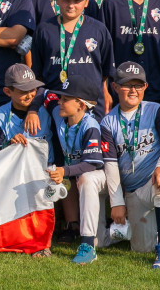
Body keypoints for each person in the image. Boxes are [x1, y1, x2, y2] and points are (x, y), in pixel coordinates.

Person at [99, 62, 160, 268]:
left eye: (138, 85)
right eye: (127, 85)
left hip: (156, 176)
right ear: (115, 87)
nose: (133, 90)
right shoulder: (107, 122)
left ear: (145, 87)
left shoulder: (156, 109)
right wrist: (117, 202)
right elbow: (110, 165)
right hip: (134, 191)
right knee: (141, 247)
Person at [43, 75, 111, 265]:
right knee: (106, 242)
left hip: (102, 178)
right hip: (78, 176)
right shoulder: (59, 112)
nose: (60, 102)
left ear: (81, 105)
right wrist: (32, 111)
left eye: (66, 99)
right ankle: (104, 232)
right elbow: (43, 92)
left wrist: (64, 170)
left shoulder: (91, 126)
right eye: (61, 98)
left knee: (86, 177)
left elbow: (93, 163)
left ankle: (88, 245)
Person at [31, 0, 114, 117]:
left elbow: (106, 70)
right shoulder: (44, 29)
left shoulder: (98, 29)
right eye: (66, 0)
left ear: (86, 2)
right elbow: (38, 73)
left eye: (77, 1)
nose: (71, 5)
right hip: (55, 105)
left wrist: (106, 93)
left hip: (90, 105)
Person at [0, 64, 53, 155]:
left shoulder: (46, 108)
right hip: (14, 168)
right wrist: (9, 144)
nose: (29, 96)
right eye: (23, 91)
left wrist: (33, 111)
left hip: (45, 168)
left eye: (32, 89)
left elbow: (49, 91)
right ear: (8, 91)